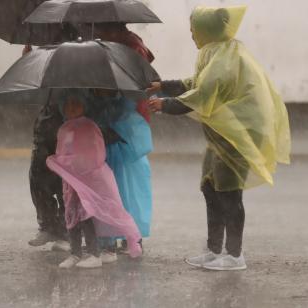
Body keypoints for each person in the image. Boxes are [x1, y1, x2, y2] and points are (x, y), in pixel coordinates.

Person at [148, 6, 291, 271]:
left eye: (194, 30)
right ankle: (215, 250)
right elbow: (196, 82)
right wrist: (164, 85)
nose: (191, 35)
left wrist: (165, 104)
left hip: (237, 135)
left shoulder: (224, 59)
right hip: (221, 136)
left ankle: (235, 255)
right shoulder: (215, 52)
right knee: (210, 188)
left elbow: (203, 94)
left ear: (207, 30)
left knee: (229, 193)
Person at [47, 90, 143, 269]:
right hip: (71, 182)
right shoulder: (64, 129)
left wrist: (74, 164)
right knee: (72, 216)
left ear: (85, 106)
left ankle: (93, 253)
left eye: (76, 104)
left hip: (89, 180)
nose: (71, 108)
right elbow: (62, 153)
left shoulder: (90, 127)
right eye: (67, 105)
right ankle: (75, 253)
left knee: (86, 215)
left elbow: (97, 155)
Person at [88, 90, 153, 262]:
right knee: (124, 195)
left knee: (124, 195)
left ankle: (125, 238)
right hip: (116, 153)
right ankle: (123, 238)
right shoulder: (125, 102)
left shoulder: (123, 105)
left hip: (120, 154)